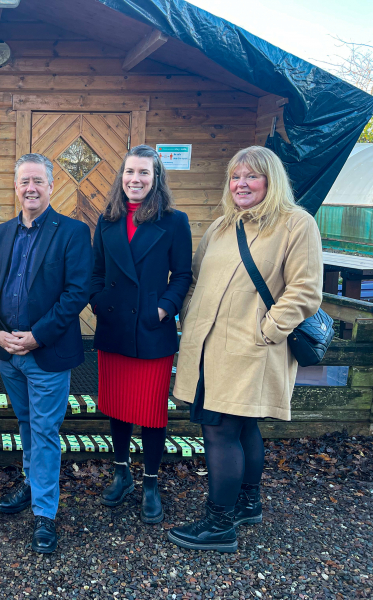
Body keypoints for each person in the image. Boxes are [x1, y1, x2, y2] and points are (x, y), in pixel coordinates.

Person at [168, 146, 323, 552]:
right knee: (242, 426)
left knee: (219, 429)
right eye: (236, 177)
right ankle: (247, 504)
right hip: (208, 346)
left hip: (252, 348)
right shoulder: (221, 227)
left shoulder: (295, 224)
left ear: (271, 182)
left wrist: (267, 331)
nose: (241, 184)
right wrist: (188, 315)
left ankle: (219, 524)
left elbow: (305, 290)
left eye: (252, 177)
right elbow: (197, 277)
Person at [0, 153, 93, 554]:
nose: (30, 188)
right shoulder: (1, 232)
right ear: (16, 187)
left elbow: (77, 293)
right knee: (27, 423)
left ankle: (45, 514)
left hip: (46, 354)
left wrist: (37, 336)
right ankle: (32, 486)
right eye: (24, 181)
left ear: (51, 187)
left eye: (38, 182)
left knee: (45, 430)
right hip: (9, 354)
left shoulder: (73, 232)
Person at [90, 145, 192, 524]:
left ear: (156, 178)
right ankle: (122, 474)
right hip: (114, 326)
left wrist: (163, 309)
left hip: (151, 329)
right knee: (117, 406)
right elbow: (95, 271)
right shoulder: (107, 219)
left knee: (150, 412)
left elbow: (182, 275)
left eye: (143, 173)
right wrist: (98, 302)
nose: (135, 179)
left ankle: (150, 482)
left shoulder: (174, 221)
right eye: (129, 172)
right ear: (121, 177)